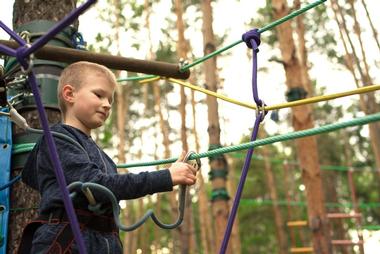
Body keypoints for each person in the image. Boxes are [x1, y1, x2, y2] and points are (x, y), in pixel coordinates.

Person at [20, 61, 197, 253]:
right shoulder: (57, 140)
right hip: (67, 242)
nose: (106, 105)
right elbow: (96, 184)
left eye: (110, 101)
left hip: (105, 242)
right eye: (98, 95)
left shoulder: (103, 158)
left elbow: (111, 188)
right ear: (69, 94)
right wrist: (166, 177)